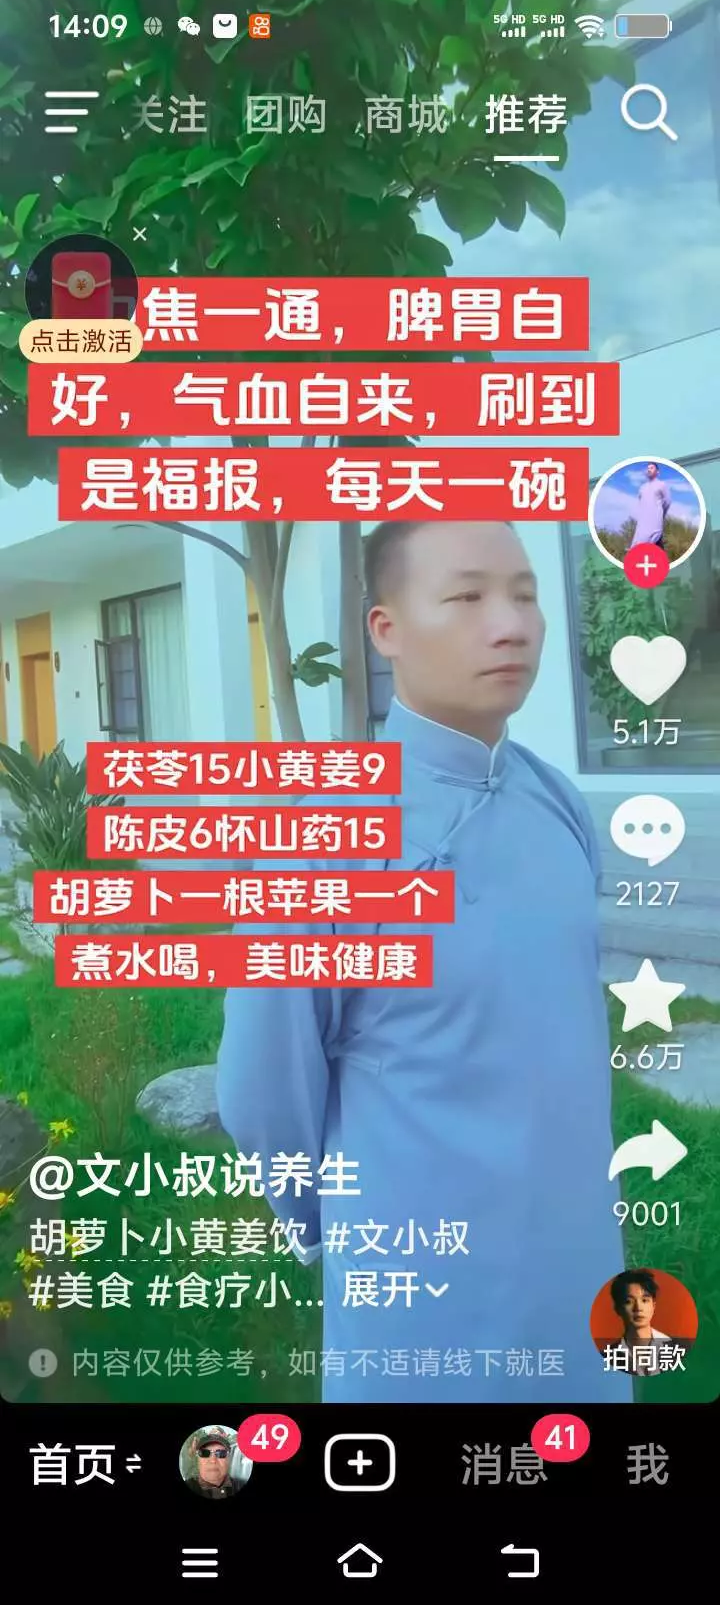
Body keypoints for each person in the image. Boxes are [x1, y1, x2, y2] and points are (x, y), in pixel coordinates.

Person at [216, 519, 630, 1403]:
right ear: (387, 629)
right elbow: (264, 1082)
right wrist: (319, 1222)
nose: (511, 625)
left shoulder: (558, 803)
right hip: (420, 1280)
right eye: (467, 596)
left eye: (525, 595)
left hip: (577, 1261)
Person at [604, 1269, 690, 1374]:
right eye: (628, 1301)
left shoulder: (679, 1349)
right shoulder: (608, 1357)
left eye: (644, 1300)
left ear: (653, 1306)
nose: (638, 1308)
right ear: (618, 1308)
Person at [182, 1426, 252, 1499]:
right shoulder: (190, 1484)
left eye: (221, 1453)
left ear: (229, 1459)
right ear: (198, 1459)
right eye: (204, 1453)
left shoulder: (241, 1484)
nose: (213, 1460)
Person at [630, 461, 671, 550]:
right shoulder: (642, 488)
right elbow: (641, 504)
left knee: (656, 549)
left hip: (655, 525)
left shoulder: (662, 485)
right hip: (643, 525)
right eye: (648, 468)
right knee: (639, 549)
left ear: (657, 472)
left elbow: (667, 502)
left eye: (651, 468)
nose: (649, 470)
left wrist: (660, 515)